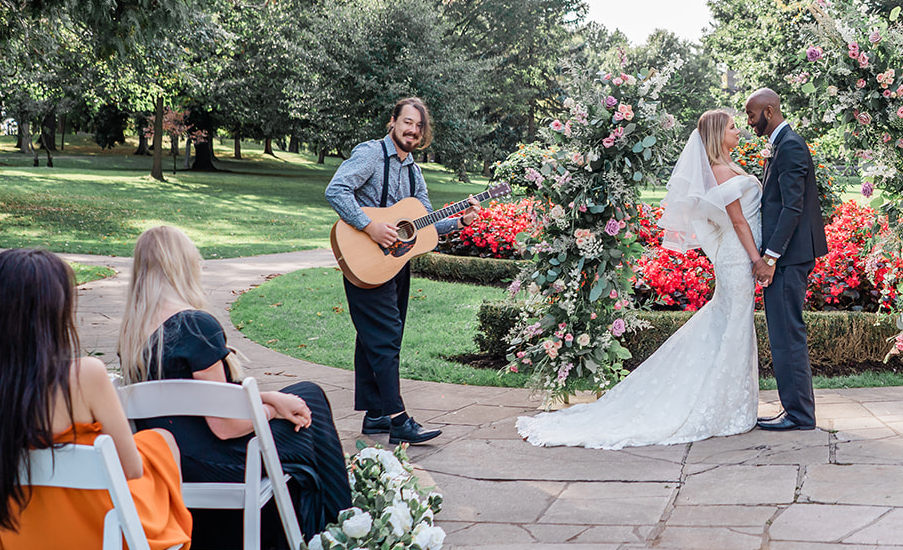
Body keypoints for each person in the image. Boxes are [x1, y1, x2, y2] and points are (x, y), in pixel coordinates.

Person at [0, 249, 230, 550]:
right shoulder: (82, 376)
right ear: (54, 311)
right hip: (100, 542)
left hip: (18, 541)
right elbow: (131, 469)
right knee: (159, 444)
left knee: (153, 447)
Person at [515, 108, 760, 448]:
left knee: (730, 323)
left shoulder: (727, 166)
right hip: (738, 258)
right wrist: (757, 258)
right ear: (718, 135)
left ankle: (731, 399)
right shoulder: (719, 170)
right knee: (733, 323)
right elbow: (737, 222)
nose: (739, 132)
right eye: (733, 127)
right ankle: (723, 403)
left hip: (736, 255)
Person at [116, 225, 354, 548]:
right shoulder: (194, 326)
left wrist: (269, 397)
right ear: (181, 267)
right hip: (214, 463)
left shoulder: (133, 333)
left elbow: (208, 398)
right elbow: (225, 426)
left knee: (295, 399)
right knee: (310, 397)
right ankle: (341, 521)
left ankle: (329, 517)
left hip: (171, 465)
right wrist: (269, 410)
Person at [325, 97, 479, 445]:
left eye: (419, 125)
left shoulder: (414, 171)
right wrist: (369, 226)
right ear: (392, 121)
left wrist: (460, 221)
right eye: (407, 122)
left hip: (394, 264)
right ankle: (398, 420)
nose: (412, 130)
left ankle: (376, 414)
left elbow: (424, 223)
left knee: (374, 340)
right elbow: (336, 190)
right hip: (365, 257)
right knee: (385, 338)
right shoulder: (370, 154)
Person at [745, 87, 826, 432]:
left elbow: (792, 208)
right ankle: (794, 409)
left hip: (789, 257)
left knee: (787, 334)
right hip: (789, 255)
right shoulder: (782, 143)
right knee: (784, 332)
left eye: (751, 115)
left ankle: (799, 414)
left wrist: (770, 257)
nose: (749, 122)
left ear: (769, 111)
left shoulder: (790, 145)